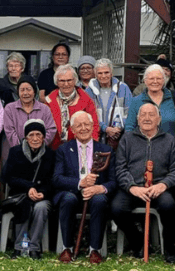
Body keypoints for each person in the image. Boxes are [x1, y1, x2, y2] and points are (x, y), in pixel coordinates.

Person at [111, 102, 175, 263]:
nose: (147, 118)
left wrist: (163, 184)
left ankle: (170, 249)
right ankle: (139, 243)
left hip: (159, 187)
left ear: (159, 119)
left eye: (151, 115)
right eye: (143, 115)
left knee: (169, 206)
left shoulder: (169, 140)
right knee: (117, 209)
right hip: (133, 188)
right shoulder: (127, 139)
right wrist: (132, 187)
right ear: (137, 119)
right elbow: (120, 168)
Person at [53, 111, 115, 264]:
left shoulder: (106, 150)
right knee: (68, 199)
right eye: (78, 125)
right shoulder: (64, 149)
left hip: (95, 194)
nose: (83, 128)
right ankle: (66, 247)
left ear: (93, 126)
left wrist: (99, 188)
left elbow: (114, 181)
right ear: (72, 130)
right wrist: (81, 183)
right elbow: (57, 178)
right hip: (72, 193)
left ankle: (95, 249)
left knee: (100, 200)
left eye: (86, 124)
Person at [1, 119, 56, 260]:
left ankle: (34, 247)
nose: (35, 138)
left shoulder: (50, 155)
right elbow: (8, 177)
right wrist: (28, 188)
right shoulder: (15, 152)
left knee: (41, 208)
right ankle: (19, 247)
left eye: (39, 134)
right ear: (25, 137)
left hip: (41, 195)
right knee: (24, 205)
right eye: (31, 135)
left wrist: (42, 192)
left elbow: (52, 180)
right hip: (20, 195)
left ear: (44, 137)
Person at [126, 64, 175, 143]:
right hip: (144, 149)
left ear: (164, 80)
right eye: (151, 78)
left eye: (158, 78)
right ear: (145, 80)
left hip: (169, 148)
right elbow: (129, 128)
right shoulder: (136, 101)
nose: (155, 81)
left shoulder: (174, 97)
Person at [46, 65, 100, 150]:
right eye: (62, 81)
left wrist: (91, 147)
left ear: (75, 81)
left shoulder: (87, 100)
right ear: (56, 82)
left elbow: (94, 125)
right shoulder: (49, 100)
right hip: (53, 149)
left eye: (69, 80)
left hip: (80, 148)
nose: (66, 84)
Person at [84, 58, 133, 146]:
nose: (103, 76)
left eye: (106, 72)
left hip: (119, 138)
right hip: (96, 138)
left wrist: (118, 128)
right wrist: (105, 128)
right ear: (95, 74)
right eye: (100, 73)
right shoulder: (89, 91)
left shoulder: (123, 88)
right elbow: (88, 115)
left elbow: (130, 111)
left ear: (111, 73)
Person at [3, 76, 57, 148]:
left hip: (40, 151)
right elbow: (9, 131)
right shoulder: (10, 108)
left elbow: (51, 129)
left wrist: (38, 146)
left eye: (28, 89)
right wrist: (22, 148)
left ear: (34, 91)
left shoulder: (44, 109)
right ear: (18, 92)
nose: (25, 93)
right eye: (22, 90)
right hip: (16, 150)